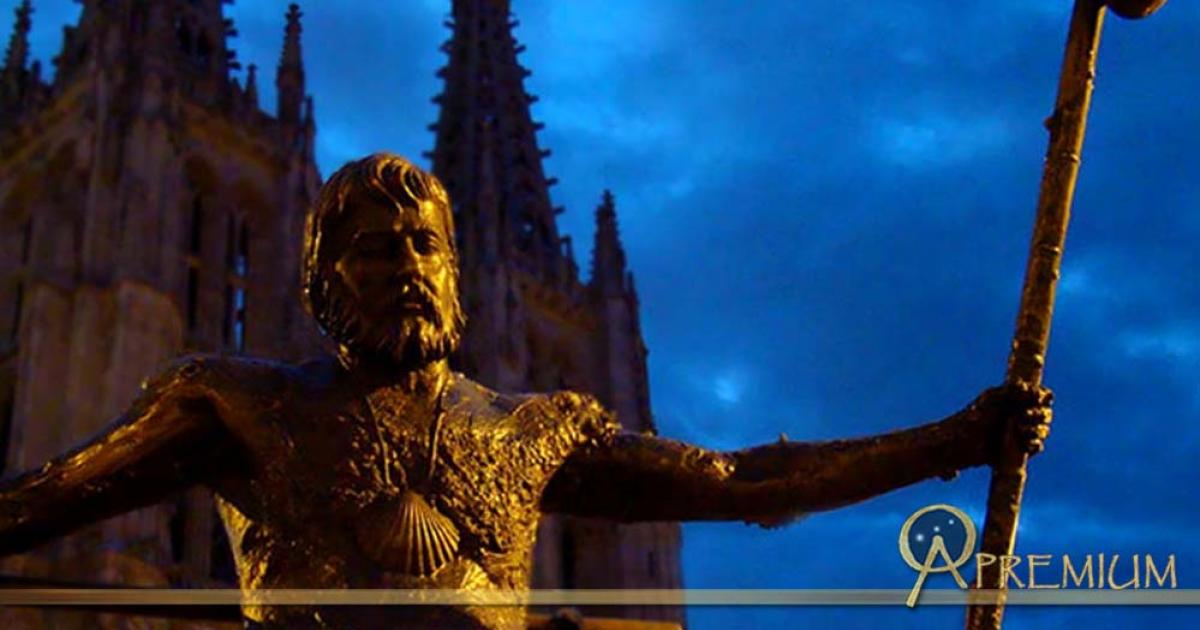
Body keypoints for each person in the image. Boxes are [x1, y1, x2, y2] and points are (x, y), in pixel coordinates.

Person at [0, 153, 1051, 629]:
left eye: (424, 244)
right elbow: (42, 501)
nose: (403, 265)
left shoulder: (530, 430)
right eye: (370, 251)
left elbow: (742, 480)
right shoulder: (241, 405)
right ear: (321, 278)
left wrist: (957, 437)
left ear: (460, 271)